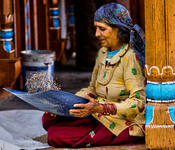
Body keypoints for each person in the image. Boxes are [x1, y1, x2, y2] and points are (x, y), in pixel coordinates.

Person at [42, 3, 146, 148]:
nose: (97, 34)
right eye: (96, 28)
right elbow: (92, 89)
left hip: (120, 122)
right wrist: (66, 103)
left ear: (118, 30)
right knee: (48, 118)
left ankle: (95, 134)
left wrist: (100, 108)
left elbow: (138, 103)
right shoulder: (102, 53)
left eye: (102, 29)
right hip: (97, 113)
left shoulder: (130, 58)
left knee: (55, 136)